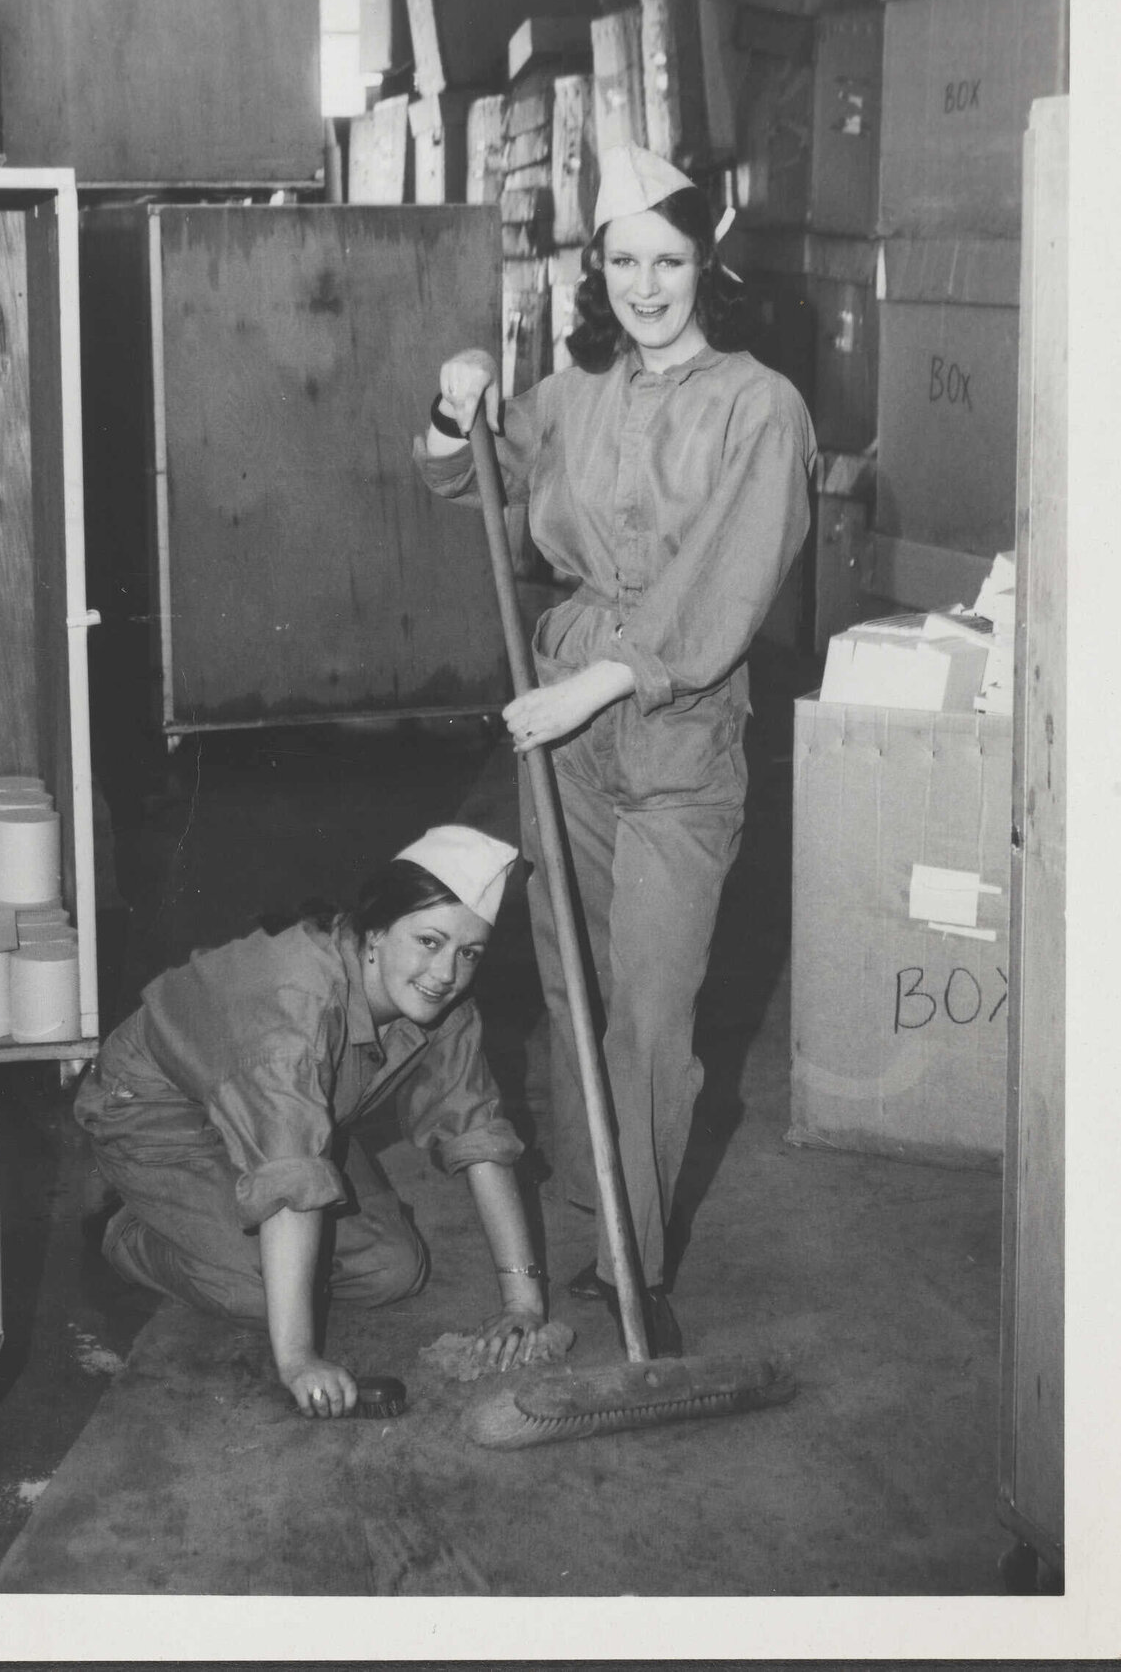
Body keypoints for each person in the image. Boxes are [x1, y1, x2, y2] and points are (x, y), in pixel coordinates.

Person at [413, 144, 816, 1357]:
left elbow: (727, 581)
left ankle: (631, 1266)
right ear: (598, 267)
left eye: (670, 259)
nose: (647, 285)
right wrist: (455, 396)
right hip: (568, 740)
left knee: (649, 1003)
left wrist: (598, 678)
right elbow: (462, 481)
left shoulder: (761, 404)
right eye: (624, 259)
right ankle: (606, 1230)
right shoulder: (576, 389)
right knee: (571, 989)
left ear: (707, 263)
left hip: (676, 729)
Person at [75, 825, 547, 1416]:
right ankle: (122, 1227)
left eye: (468, 952)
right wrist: (298, 1359)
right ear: (375, 931)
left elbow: (477, 1135)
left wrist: (522, 1301)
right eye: (428, 941)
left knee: (392, 1271)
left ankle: (213, 1226)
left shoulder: (444, 1003)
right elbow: (293, 1176)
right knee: (260, 1292)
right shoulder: (294, 1005)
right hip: (160, 1110)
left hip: (295, 1111)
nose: (446, 973)